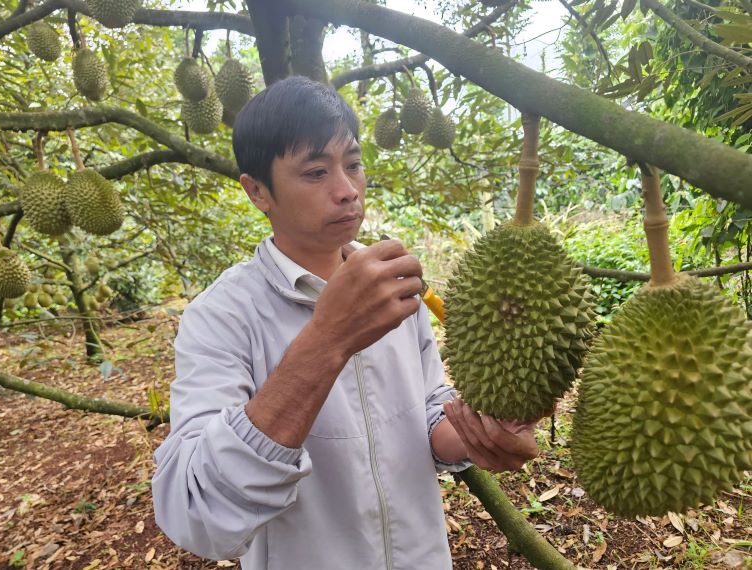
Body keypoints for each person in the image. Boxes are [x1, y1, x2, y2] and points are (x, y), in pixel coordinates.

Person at [151, 75, 539, 570]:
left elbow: (427, 413)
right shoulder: (220, 316)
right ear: (257, 191)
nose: (347, 191)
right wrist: (328, 339)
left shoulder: (397, 286)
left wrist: (478, 430)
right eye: (315, 172)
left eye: (353, 165)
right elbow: (197, 514)